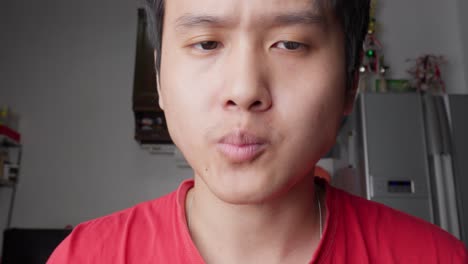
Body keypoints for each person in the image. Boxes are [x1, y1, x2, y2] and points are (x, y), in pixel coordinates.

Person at [48, 0, 468, 263]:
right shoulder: (83, 257)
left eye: (290, 44)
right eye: (207, 43)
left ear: (349, 83)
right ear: (160, 80)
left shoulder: (436, 257)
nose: (244, 90)